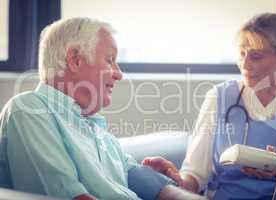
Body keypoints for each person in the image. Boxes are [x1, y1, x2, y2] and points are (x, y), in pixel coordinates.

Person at [0, 17, 206, 200]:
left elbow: (134, 173)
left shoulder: (95, 126)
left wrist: (172, 188)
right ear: (75, 60)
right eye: (110, 60)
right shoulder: (29, 110)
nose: (119, 74)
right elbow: (68, 194)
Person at [143, 13, 276, 199]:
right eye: (242, 53)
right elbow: (194, 177)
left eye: (256, 56)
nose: (244, 64)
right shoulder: (219, 97)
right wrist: (174, 178)